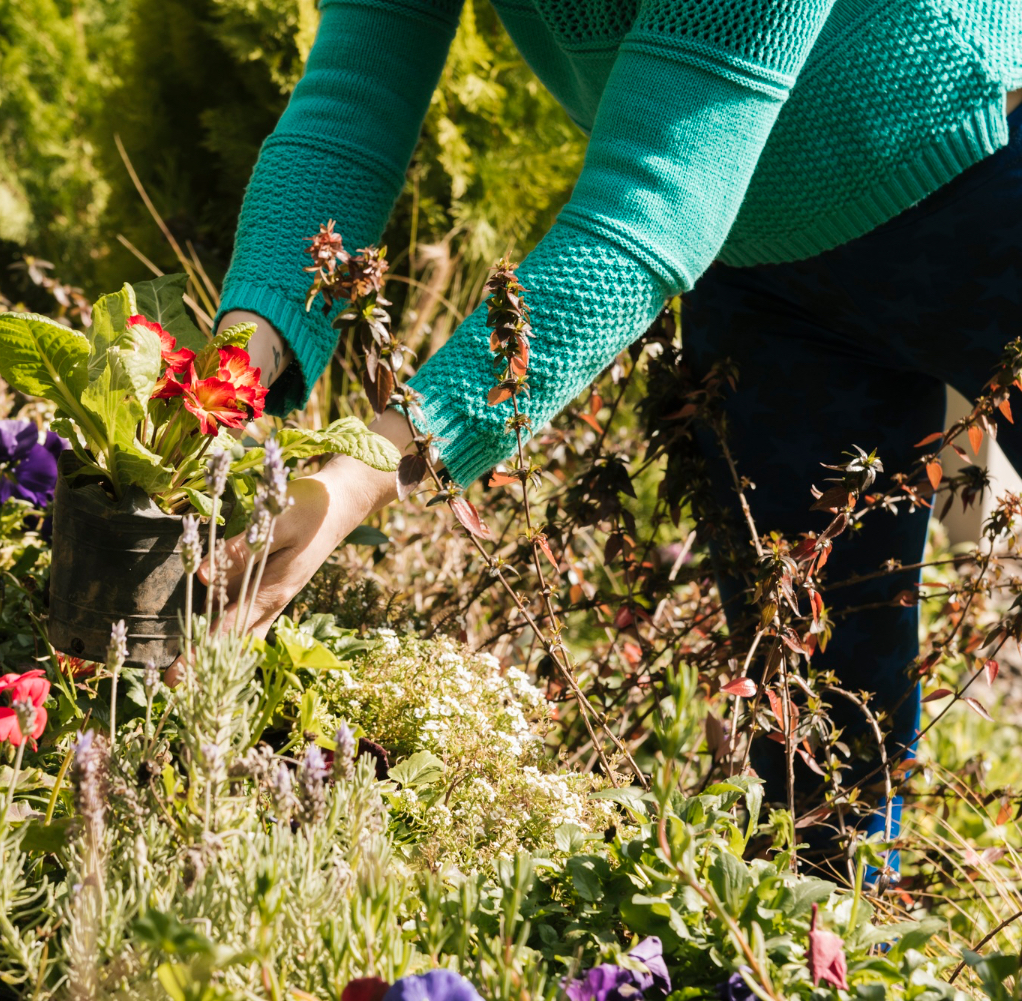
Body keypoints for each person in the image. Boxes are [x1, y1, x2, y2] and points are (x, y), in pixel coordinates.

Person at [208, 0, 1022, 868]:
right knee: (814, 755)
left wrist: (359, 478)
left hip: (980, 183)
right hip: (757, 253)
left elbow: (645, 206)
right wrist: (221, 383)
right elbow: (349, 103)